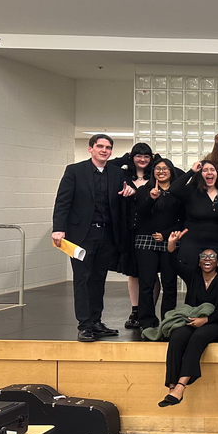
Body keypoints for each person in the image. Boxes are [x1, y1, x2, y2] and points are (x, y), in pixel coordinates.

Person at [52, 134, 136, 342]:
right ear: (91, 149)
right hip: (81, 235)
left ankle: (96, 322)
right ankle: (84, 325)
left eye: (108, 147)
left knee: (99, 278)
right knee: (82, 279)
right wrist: (58, 228)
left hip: (106, 234)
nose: (104, 150)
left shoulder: (117, 173)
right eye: (100, 146)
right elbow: (63, 201)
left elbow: (129, 191)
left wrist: (130, 190)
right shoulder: (74, 171)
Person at [159, 235, 218, 407]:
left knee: (198, 337)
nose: (207, 259)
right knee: (177, 336)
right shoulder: (193, 276)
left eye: (212, 257)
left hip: (215, 323)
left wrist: (206, 319)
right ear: (199, 262)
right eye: (204, 257)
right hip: (192, 319)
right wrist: (171, 245)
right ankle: (171, 386)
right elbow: (173, 264)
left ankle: (181, 386)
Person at [134, 159, 182, 330]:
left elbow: (183, 220)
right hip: (145, 241)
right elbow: (141, 214)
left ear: (171, 171)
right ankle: (146, 321)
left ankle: (168, 320)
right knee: (146, 284)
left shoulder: (178, 192)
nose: (161, 171)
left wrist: (166, 234)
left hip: (169, 241)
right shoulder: (144, 190)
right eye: (157, 169)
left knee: (169, 284)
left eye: (165, 169)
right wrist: (152, 199)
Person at [115, 142, 157, 330]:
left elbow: (176, 172)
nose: (142, 160)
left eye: (146, 156)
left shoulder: (155, 177)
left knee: (151, 273)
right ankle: (135, 309)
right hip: (130, 229)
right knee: (133, 272)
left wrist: (159, 159)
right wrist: (126, 156)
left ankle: (148, 310)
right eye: (138, 156)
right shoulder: (123, 175)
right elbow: (109, 165)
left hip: (151, 229)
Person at [170, 159, 218, 273]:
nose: (209, 173)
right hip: (193, 243)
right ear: (199, 174)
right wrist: (191, 171)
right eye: (205, 170)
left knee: (217, 279)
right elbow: (173, 189)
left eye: (212, 170)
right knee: (193, 279)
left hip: (217, 242)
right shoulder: (191, 191)